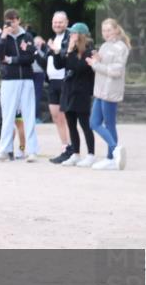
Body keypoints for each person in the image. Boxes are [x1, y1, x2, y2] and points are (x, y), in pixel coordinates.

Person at [0, 9, 38, 163]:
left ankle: (32, 150)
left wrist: (12, 59)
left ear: (18, 20)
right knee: (8, 116)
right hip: (9, 80)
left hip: (26, 79)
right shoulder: (2, 36)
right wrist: (4, 37)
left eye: (13, 20)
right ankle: (5, 150)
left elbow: (30, 58)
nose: (11, 23)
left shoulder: (27, 36)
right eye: (8, 21)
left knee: (28, 115)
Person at [88, 18, 131, 170]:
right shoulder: (105, 46)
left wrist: (96, 64)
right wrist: (97, 60)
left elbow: (116, 71)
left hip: (111, 90)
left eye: (109, 30)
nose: (106, 33)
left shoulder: (121, 47)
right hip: (100, 90)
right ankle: (115, 150)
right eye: (104, 30)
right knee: (94, 123)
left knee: (109, 123)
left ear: (116, 30)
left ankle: (111, 156)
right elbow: (102, 66)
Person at [52, 22, 96, 167]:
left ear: (81, 35)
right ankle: (76, 154)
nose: (70, 35)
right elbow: (59, 65)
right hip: (69, 91)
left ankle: (90, 154)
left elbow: (76, 67)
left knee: (85, 124)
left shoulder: (89, 52)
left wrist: (69, 51)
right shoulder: (71, 49)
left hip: (81, 92)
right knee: (71, 124)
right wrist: (57, 53)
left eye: (73, 33)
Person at [37, 12, 72, 164]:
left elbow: (65, 57)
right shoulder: (53, 40)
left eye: (60, 22)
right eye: (55, 22)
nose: (57, 25)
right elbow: (45, 62)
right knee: (56, 116)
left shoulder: (70, 38)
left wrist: (56, 50)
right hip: (52, 82)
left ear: (66, 22)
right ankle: (65, 147)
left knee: (66, 117)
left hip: (65, 81)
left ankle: (71, 148)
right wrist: (35, 51)